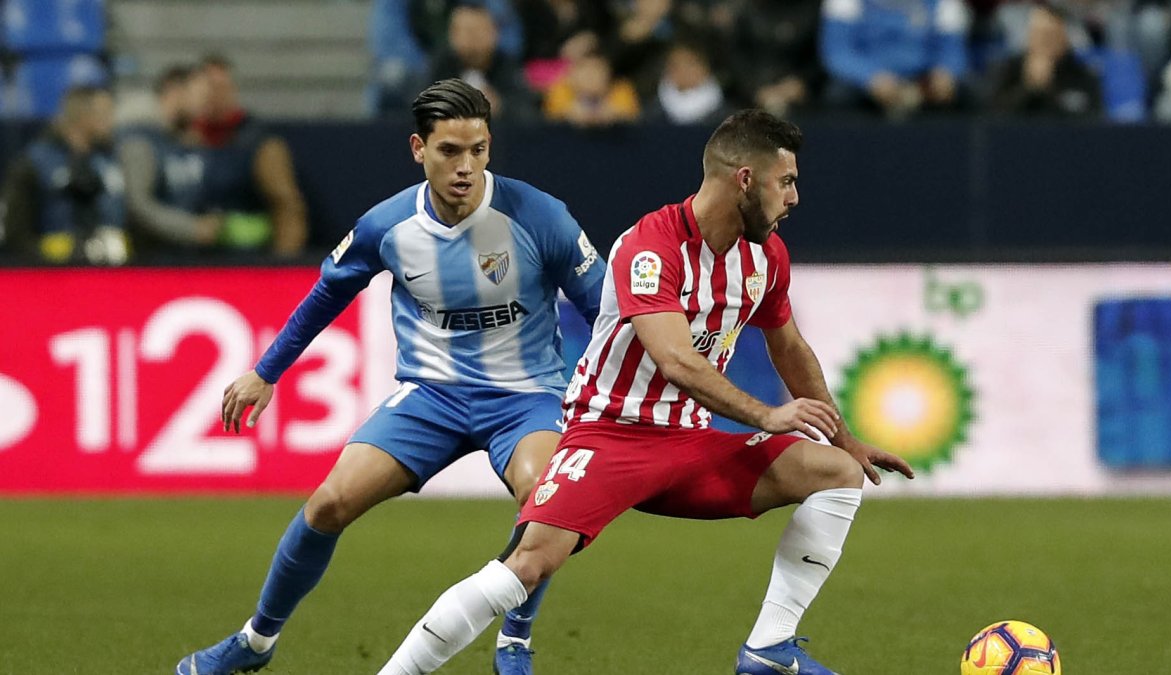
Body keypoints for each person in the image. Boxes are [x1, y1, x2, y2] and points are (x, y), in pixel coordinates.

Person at [374, 109, 915, 675]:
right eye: (787, 181)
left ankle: (768, 649)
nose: (795, 197)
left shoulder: (766, 255)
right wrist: (767, 415)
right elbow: (676, 359)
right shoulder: (650, 246)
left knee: (835, 472)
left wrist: (845, 438)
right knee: (529, 563)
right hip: (611, 434)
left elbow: (789, 347)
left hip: (692, 445)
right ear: (746, 180)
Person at [174, 79, 607, 675]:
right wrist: (264, 371)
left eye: (478, 150)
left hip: (525, 397)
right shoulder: (387, 226)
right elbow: (327, 295)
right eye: (450, 150)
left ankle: (513, 641)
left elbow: (609, 311)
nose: (466, 166)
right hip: (430, 397)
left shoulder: (539, 216)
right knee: (329, 503)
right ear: (417, 149)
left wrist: (613, 394)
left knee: (544, 501)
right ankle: (255, 642)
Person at [193, 54, 308, 257]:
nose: (214, 95)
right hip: (187, 262)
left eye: (221, 88)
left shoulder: (260, 144)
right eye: (208, 87)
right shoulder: (183, 139)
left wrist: (281, 265)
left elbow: (287, 208)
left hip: (247, 262)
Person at [1, 85, 127, 265]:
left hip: (118, 270)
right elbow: (15, 230)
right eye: (105, 113)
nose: (111, 120)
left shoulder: (112, 160)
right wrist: (44, 264)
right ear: (83, 116)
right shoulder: (34, 162)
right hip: (53, 274)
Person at [117, 64, 223, 254]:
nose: (204, 106)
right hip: (152, 264)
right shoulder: (139, 138)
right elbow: (138, 205)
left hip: (186, 259)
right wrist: (192, 228)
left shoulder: (183, 139)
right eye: (200, 95)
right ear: (175, 89)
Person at [820, 0, 970, 117]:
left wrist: (945, 72)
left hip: (923, 82)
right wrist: (871, 77)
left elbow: (953, 50)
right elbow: (837, 52)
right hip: (867, 84)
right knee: (838, 95)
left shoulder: (944, 2)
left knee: (969, 92)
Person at [988, 3, 1102, 117]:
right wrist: (1030, 88)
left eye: (1049, 35)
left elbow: (1092, 124)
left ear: (1064, 38)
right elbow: (991, 118)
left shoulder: (1084, 76)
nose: (1043, 42)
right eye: (1037, 34)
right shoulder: (1007, 70)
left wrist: (1049, 90)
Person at [428, 4, 537, 122]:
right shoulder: (440, 65)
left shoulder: (507, 66)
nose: (473, 39)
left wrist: (500, 107)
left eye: (479, 31)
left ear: (495, 33)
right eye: (467, 32)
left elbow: (527, 111)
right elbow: (416, 107)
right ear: (452, 35)